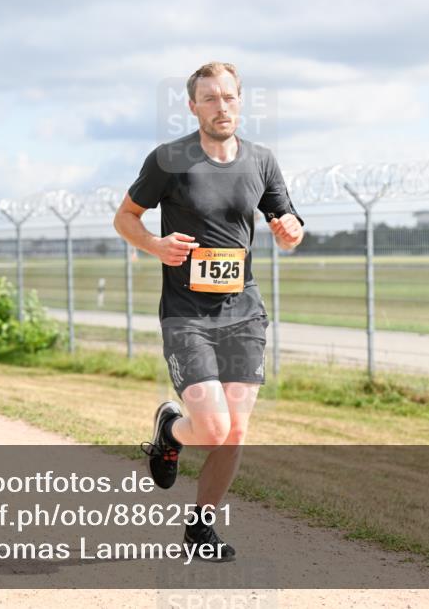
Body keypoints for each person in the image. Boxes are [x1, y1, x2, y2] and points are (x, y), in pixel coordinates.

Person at [113, 62, 304, 562]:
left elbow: (286, 217)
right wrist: (155, 244)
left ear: (241, 101)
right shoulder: (169, 159)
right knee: (214, 429)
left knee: (235, 431)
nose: (222, 107)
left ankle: (200, 529)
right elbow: (125, 218)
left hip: (244, 312)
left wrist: (289, 231)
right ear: (193, 105)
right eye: (210, 98)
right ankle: (169, 432)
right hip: (186, 314)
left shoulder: (261, 160)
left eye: (229, 97)